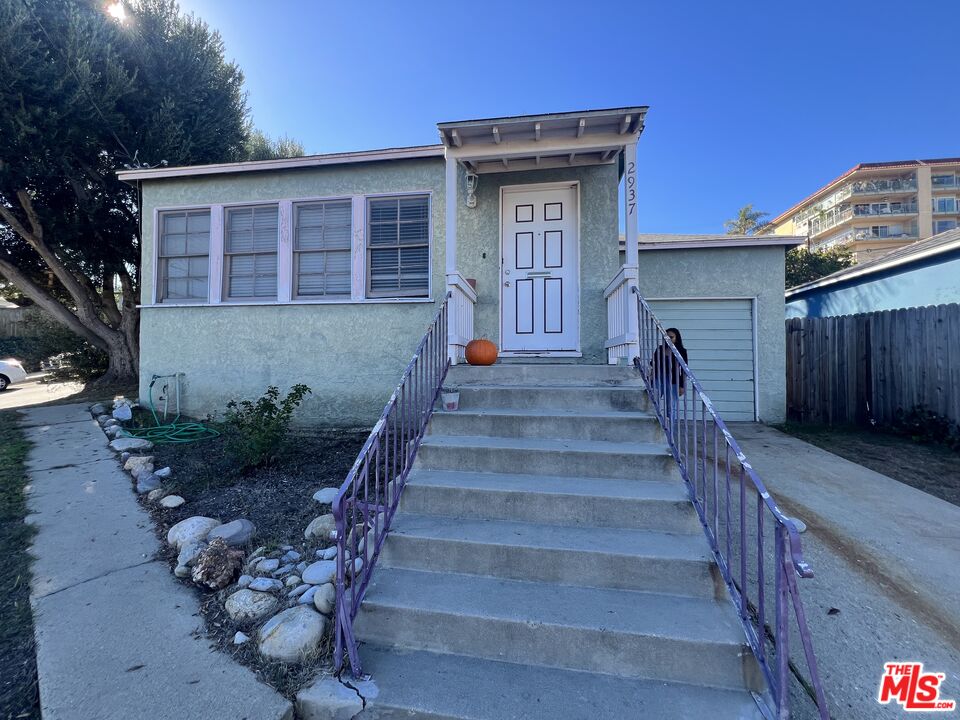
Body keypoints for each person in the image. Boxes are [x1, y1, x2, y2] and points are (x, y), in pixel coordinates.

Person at [648, 327, 688, 441]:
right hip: (658, 379)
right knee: (652, 404)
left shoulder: (681, 351)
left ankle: (669, 434)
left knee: (671, 408)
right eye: (666, 337)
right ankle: (653, 430)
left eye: (671, 337)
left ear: (677, 338)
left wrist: (682, 386)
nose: (668, 339)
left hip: (673, 381)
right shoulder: (660, 349)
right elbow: (653, 364)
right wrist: (651, 376)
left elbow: (684, 370)